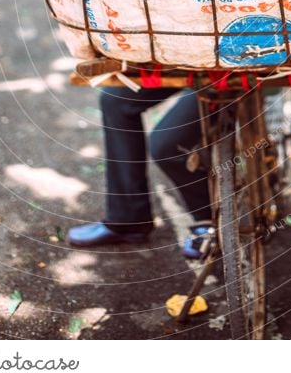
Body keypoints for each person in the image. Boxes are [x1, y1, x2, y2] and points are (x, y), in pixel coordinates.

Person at [67, 86, 214, 259]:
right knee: (115, 99)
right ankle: (128, 218)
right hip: (193, 65)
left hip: (232, 73)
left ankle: (208, 219)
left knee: (167, 147)